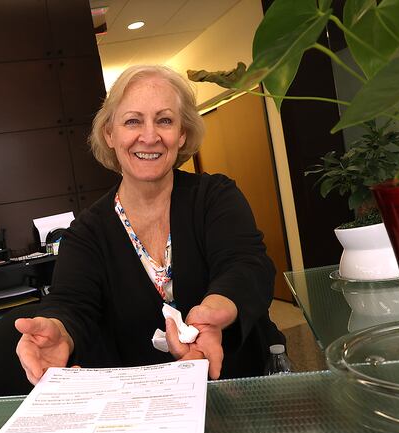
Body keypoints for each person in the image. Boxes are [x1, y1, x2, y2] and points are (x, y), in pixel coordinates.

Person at [15, 65, 285, 384]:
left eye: (165, 120)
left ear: (182, 134)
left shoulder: (215, 197)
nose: (149, 136)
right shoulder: (87, 233)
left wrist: (216, 309)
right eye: (133, 121)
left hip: (238, 381)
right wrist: (59, 330)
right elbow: (72, 302)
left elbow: (247, 265)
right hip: (146, 403)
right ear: (109, 134)